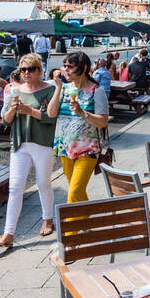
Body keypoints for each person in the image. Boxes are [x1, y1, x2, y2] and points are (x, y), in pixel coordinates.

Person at [0, 53, 60, 249]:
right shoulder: (14, 90)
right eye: (23, 69)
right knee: (15, 188)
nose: (26, 73)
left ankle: (47, 218)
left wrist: (30, 111)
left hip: (42, 142)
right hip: (20, 143)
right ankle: (8, 233)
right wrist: (13, 109)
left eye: (31, 69)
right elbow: (5, 120)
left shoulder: (49, 90)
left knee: (43, 183)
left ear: (39, 71)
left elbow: (52, 117)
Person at [53, 52, 110, 204]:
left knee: (74, 192)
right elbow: (51, 113)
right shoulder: (64, 88)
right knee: (76, 192)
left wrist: (82, 113)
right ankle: (85, 222)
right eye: (64, 66)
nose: (66, 70)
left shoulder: (97, 91)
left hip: (88, 150)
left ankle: (71, 228)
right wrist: (58, 86)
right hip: (65, 148)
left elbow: (103, 122)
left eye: (70, 66)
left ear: (84, 68)